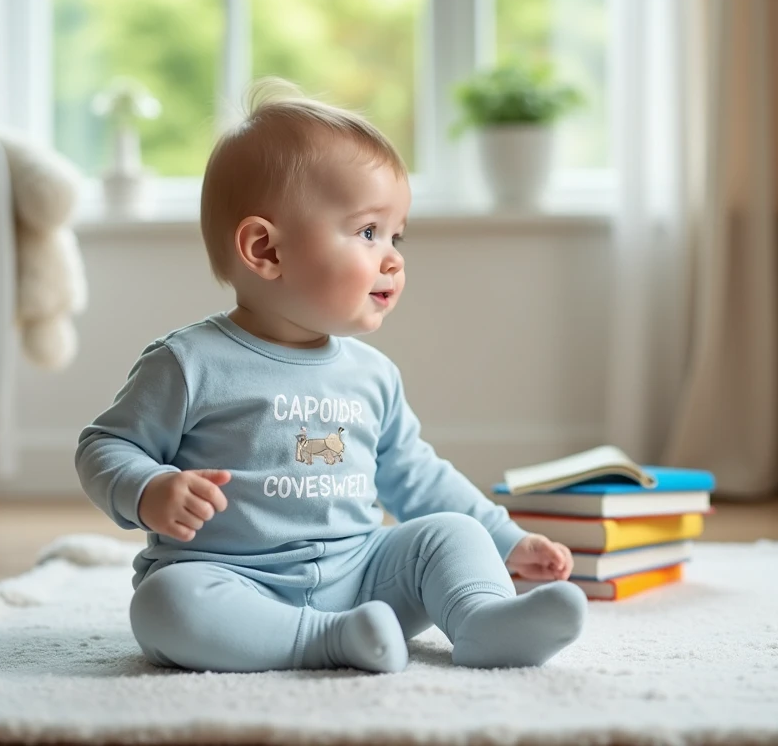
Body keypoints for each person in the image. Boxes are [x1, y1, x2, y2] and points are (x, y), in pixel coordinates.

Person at [76, 81, 587, 673]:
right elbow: (105, 445)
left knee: (449, 533)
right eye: (369, 232)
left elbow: (415, 477)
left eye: (397, 236)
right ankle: (324, 640)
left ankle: (481, 619)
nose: (393, 257)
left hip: (363, 575)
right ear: (265, 249)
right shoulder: (190, 363)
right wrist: (147, 489)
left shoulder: (373, 375)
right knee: (165, 605)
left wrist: (505, 541)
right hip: (234, 581)